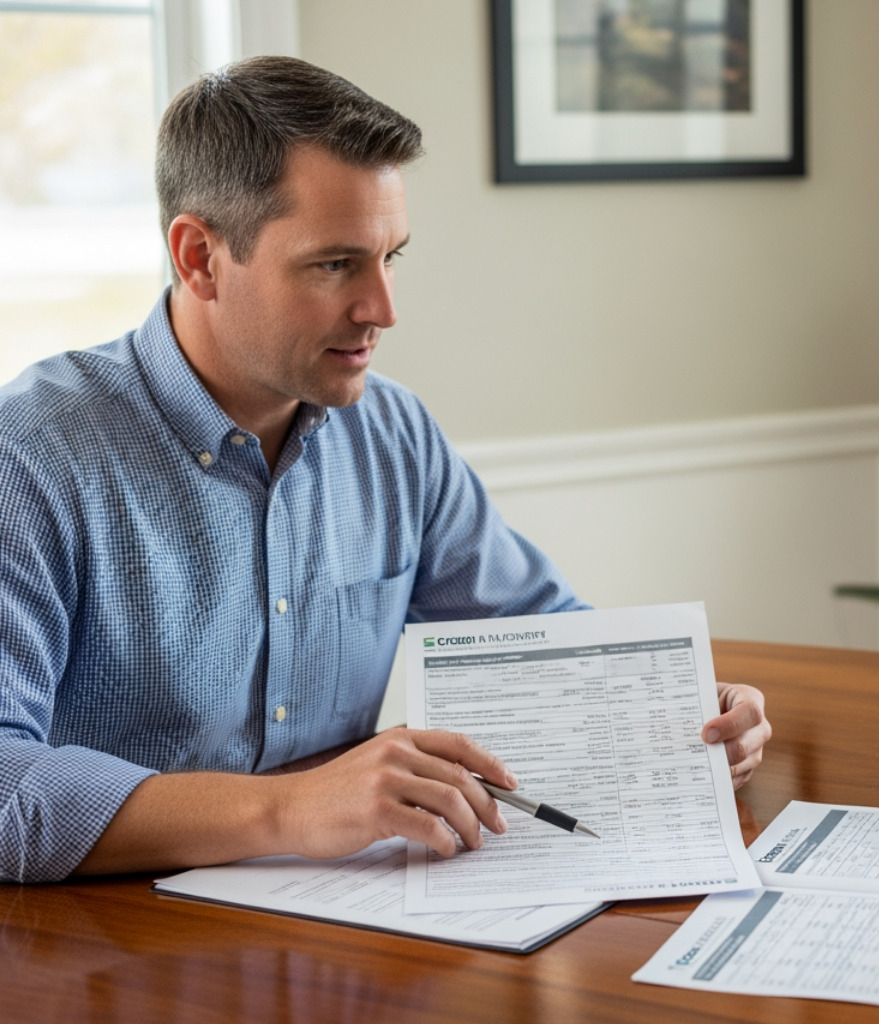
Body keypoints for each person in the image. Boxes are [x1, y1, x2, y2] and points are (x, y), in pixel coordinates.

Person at [0, 56, 770, 884]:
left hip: (345, 936)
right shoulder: (32, 457)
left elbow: (547, 646)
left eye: (391, 256)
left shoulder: (392, 432)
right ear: (198, 258)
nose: (383, 310)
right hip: (103, 953)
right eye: (335, 265)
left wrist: (679, 708)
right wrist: (291, 809)